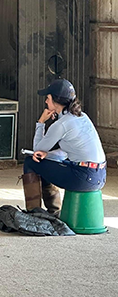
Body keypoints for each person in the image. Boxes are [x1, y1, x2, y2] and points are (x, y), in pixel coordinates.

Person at [21, 78, 106, 217]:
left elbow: (36, 150)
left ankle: (34, 213)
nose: (46, 102)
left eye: (48, 98)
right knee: (45, 160)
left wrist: (41, 122)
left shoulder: (61, 125)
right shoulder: (83, 117)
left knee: (32, 162)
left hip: (82, 178)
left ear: (56, 101)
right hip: (99, 176)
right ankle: (54, 211)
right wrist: (48, 155)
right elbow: (66, 152)